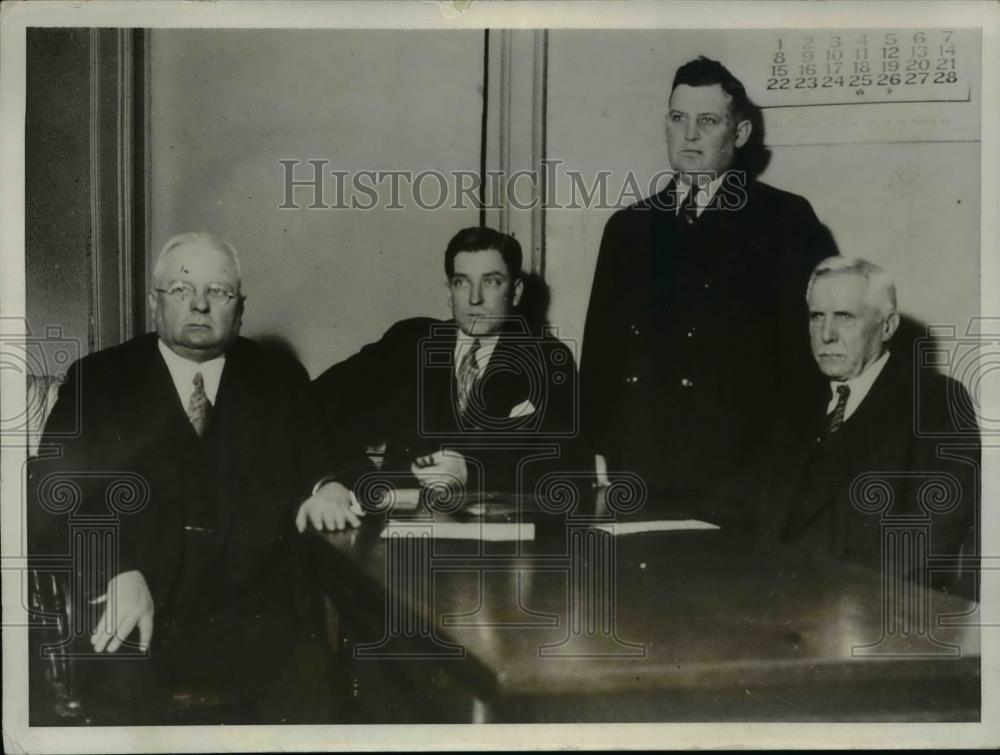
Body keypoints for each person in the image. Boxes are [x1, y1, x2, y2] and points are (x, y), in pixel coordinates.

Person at [28, 233, 335, 723]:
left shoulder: (278, 381)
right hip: (131, 615)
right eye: (180, 290)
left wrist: (329, 484)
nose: (198, 304)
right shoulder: (98, 382)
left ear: (240, 308)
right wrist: (114, 567)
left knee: (314, 679)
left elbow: (327, 457)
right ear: (155, 302)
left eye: (218, 292)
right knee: (121, 700)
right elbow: (46, 501)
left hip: (253, 621)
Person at [580, 56, 836, 504]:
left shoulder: (785, 220)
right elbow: (601, 360)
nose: (690, 134)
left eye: (708, 120)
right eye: (679, 119)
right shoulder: (629, 227)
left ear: (739, 134)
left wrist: (776, 472)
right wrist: (600, 455)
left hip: (742, 479)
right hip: (641, 471)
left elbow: (808, 364)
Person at [298, 226, 583, 529]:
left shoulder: (549, 359)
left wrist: (472, 470)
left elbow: (568, 465)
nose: (475, 298)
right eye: (462, 283)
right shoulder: (409, 342)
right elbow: (310, 405)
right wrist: (341, 480)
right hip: (396, 540)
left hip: (496, 549)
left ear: (515, 292)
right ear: (449, 292)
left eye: (492, 282)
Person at [752, 257, 980, 599]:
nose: (826, 335)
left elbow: (928, 530)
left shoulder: (935, 401)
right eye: (817, 317)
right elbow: (741, 500)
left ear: (887, 327)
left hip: (863, 608)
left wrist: (835, 599)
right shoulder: (797, 403)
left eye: (845, 317)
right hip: (768, 597)